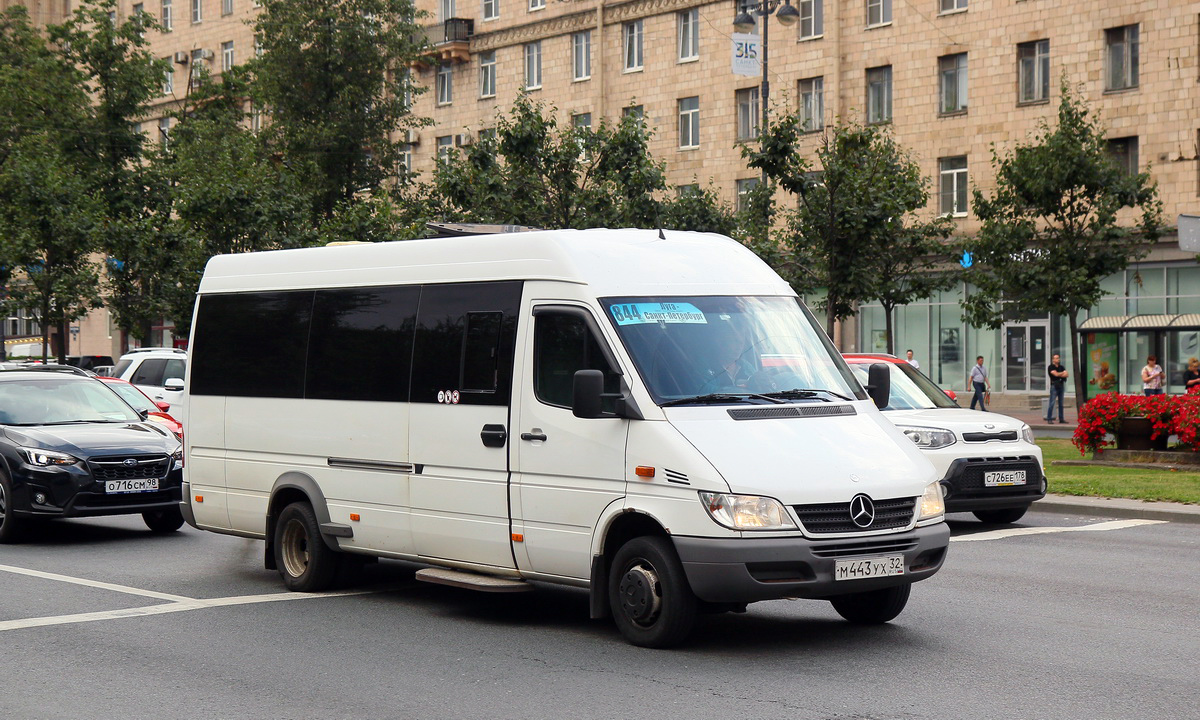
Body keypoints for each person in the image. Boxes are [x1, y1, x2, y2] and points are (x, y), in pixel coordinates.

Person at [1046, 353, 1069, 423]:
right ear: (1053, 359)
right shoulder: (1051, 367)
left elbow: (1067, 374)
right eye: (1055, 358)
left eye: (1058, 358)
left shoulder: (1061, 367)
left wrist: (1059, 374)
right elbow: (1055, 374)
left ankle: (1061, 419)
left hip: (1061, 385)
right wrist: (1062, 373)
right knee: (1052, 403)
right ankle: (1049, 418)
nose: (1057, 359)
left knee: (1061, 403)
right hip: (1054, 386)